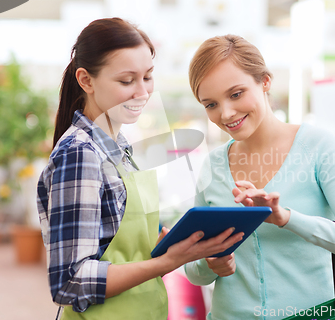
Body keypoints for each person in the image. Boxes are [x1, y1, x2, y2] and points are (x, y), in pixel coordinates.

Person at [36, 18, 244, 320]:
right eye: (126, 81)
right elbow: (70, 283)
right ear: (86, 80)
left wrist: (174, 245)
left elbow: (119, 248)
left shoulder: (120, 148)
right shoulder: (80, 155)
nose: (142, 92)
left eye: (148, 77)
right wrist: (166, 262)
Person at [185, 34, 335, 319]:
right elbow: (195, 272)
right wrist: (210, 263)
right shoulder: (212, 166)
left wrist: (286, 218)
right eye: (211, 104)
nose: (226, 113)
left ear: (264, 81)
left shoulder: (318, 147)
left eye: (236, 94)